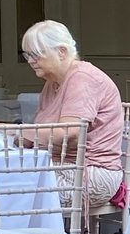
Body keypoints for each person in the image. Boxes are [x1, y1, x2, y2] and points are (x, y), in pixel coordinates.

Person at [21, 20, 123, 203]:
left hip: (88, 174)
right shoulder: (52, 83)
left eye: (36, 54)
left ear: (62, 51)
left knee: (5, 191)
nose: (30, 61)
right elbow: (36, 134)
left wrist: (16, 131)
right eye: (27, 55)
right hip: (58, 166)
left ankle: (36, 233)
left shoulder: (82, 78)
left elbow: (69, 133)